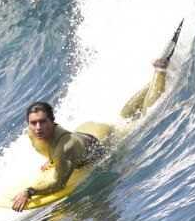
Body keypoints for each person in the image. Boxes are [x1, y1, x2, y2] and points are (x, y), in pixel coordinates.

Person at [10, 58, 170, 212]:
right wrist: (53, 159)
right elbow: (51, 145)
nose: (38, 128)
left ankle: (161, 71)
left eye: (43, 122)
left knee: (145, 117)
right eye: (33, 123)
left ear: (53, 122)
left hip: (101, 140)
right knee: (123, 118)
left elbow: (58, 184)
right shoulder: (31, 133)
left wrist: (29, 191)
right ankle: (153, 82)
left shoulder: (65, 149)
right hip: (84, 132)